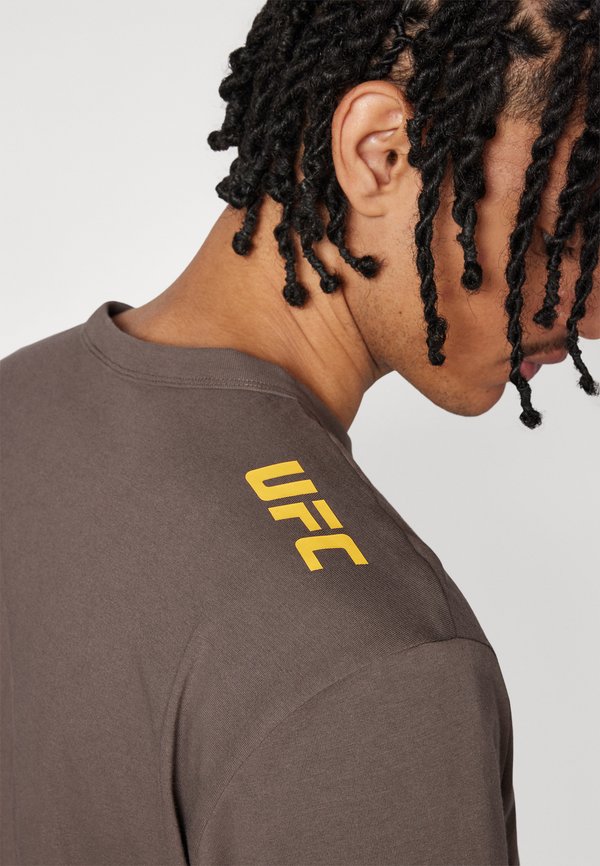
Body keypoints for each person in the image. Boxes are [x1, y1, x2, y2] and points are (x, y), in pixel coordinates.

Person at [1, 1, 598, 864]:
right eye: (568, 230)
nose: (592, 315)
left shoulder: (19, 401)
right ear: (380, 152)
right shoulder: (384, 667)